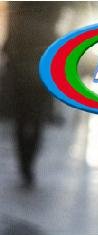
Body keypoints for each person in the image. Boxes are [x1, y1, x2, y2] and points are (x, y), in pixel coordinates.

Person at [1, 2, 62, 188]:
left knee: (21, 120)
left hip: (21, 77)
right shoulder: (49, 24)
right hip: (40, 78)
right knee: (37, 120)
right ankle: (29, 163)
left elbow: (7, 48)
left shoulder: (19, 19)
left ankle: (24, 164)